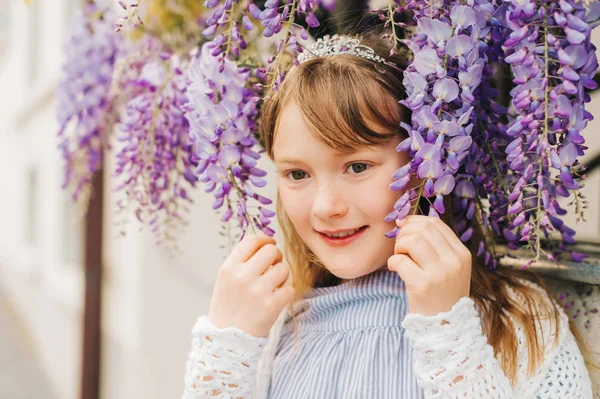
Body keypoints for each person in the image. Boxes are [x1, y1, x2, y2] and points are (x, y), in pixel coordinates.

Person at [181, 32, 593, 398]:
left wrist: (449, 332)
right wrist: (226, 352)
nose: (326, 206)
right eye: (297, 174)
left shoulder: (519, 317)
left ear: (423, 162)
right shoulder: (276, 327)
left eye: (357, 167)